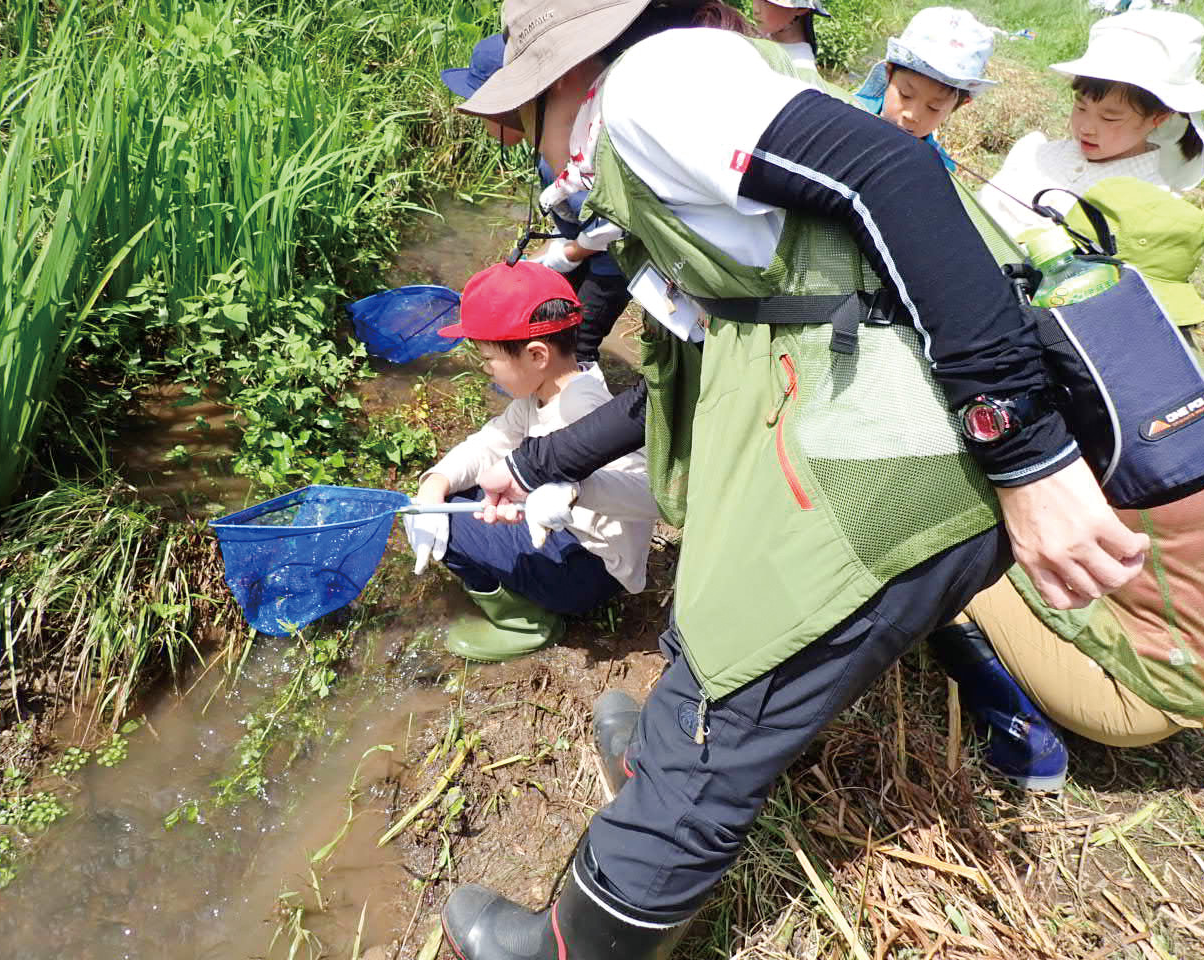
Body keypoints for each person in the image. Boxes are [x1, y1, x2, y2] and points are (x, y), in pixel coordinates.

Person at [442, 2, 1148, 957]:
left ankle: (571, 940)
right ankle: (651, 758)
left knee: (717, 734)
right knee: (714, 615)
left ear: (569, 74)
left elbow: (887, 170)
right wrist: (536, 462)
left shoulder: (653, 87)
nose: (511, 141)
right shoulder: (702, 89)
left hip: (884, 471)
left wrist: (1023, 447)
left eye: (508, 119)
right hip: (828, 429)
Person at [927, 177, 1204, 791]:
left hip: (1132, 697)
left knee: (939, 537)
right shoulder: (1199, 392)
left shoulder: (1090, 391)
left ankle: (1015, 720)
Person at [401, 261, 656, 662]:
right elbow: (490, 442)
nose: (485, 369)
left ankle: (524, 621)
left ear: (536, 355)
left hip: (590, 567)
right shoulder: (539, 396)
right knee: (451, 492)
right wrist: (436, 481)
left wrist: (574, 490)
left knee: (447, 522)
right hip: (570, 544)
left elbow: (651, 494)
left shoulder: (581, 406)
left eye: (488, 359)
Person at [442, 34, 633, 365]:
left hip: (614, 264)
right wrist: (545, 255)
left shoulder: (571, 150)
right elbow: (573, 218)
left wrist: (570, 252)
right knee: (547, 324)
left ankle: (582, 403)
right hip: (588, 246)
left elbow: (619, 223)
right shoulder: (547, 139)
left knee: (577, 346)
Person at [978, 9, 1204, 237]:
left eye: (1109, 117)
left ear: (1159, 117)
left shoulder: (1151, 203)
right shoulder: (1039, 154)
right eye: (1081, 107)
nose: (1086, 127)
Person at [853, 7, 997, 172]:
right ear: (889, 73)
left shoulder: (939, 171)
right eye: (905, 94)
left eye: (933, 107)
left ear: (961, 104)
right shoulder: (847, 111)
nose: (912, 116)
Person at [750, 0, 830, 70]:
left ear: (801, 8)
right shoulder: (758, 41)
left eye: (766, 1)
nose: (756, 9)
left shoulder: (800, 67)